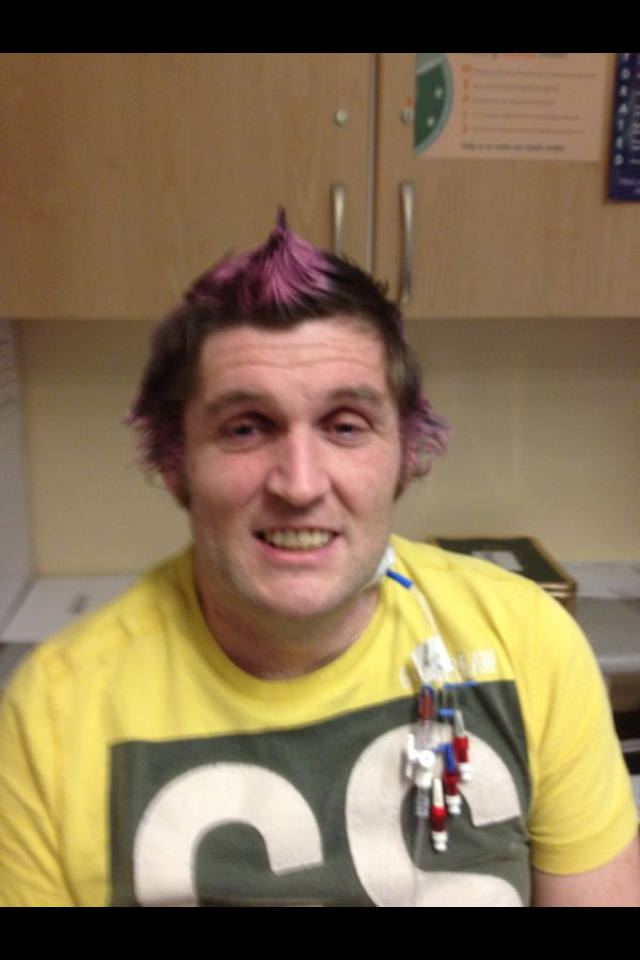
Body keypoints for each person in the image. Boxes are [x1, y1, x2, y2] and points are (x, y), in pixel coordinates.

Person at [0, 213, 638, 907]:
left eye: (345, 426)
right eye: (246, 428)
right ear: (177, 464)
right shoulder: (55, 715)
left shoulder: (529, 644)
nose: (300, 485)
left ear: (405, 455)